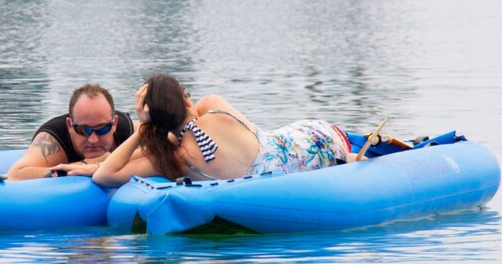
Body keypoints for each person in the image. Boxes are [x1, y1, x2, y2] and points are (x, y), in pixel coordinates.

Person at [92, 73, 363, 188]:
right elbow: (189, 128)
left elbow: (105, 176)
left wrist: (144, 130)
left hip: (310, 158)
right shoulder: (214, 106)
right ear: (186, 99)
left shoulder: (178, 158)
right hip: (317, 137)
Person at [7, 83, 135, 181]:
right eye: (83, 130)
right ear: (69, 125)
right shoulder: (54, 139)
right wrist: (85, 165)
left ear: (115, 124)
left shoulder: (127, 131)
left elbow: (154, 149)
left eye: (102, 129)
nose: (93, 139)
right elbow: (15, 175)